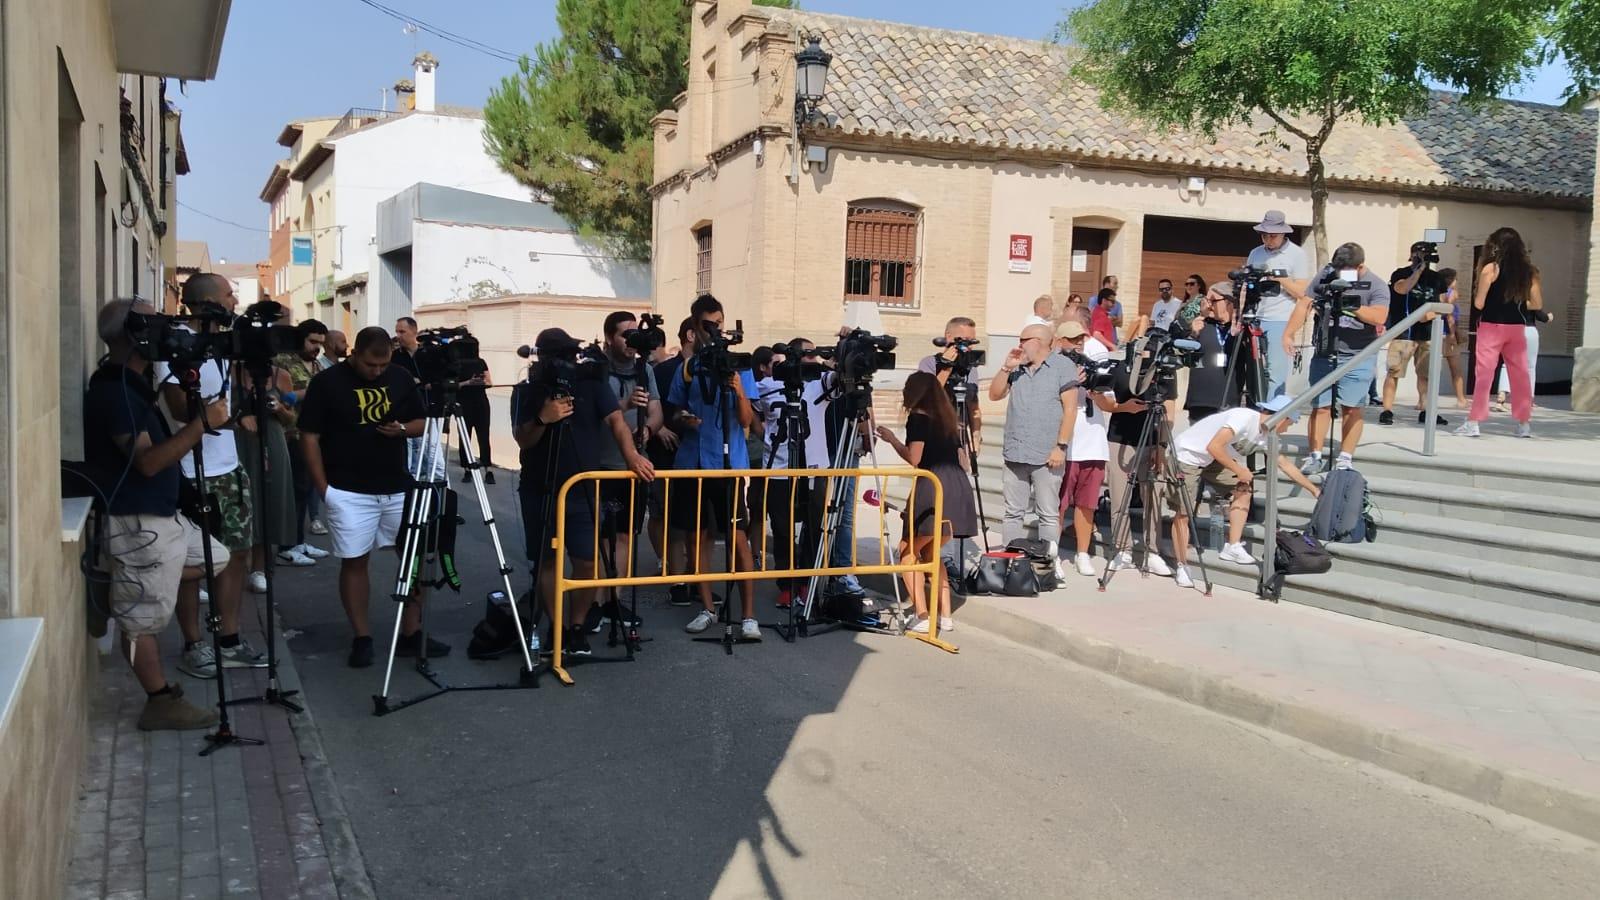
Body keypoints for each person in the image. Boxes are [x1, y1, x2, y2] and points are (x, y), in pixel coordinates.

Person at [86, 299, 231, 730]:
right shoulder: (113, 392)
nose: (166, 332)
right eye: (155, 323)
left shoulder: (132, 385)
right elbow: (147, 462)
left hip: (159, 520)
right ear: (135, 334)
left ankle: (127, 580)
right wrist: (201, 424)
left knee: (214, 557)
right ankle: (160, 700)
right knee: (141, 621)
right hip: (137, 521)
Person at [298, 326, 443, 668]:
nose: (377, 372)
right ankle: (362, 637)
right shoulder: (327, 383)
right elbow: (309, 437)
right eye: (369, 365)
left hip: (396, 486)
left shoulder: (401, 377)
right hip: (347, 489)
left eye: (382, 366)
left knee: (413, 558)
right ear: (354, 354)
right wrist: (324, 490)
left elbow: (422, 421)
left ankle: (411, 631)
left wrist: (403, 429)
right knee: (355, 561)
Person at [515, 327, 655, 657]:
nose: (562, 363)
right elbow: (524, 439)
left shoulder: (591, 383)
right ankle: (558, 628)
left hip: (582, 488)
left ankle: (577, 627)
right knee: (546, 560)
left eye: (567, 355)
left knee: (588, 561)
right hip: (539, 488)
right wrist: (543, 418)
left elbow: (617, 422)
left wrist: (632, 456)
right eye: (556, 356)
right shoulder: (527, 390)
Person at [153, 274, 266, 679]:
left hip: (228, 468)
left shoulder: (222, 344)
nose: (235, 300)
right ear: (206, 303)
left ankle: (229, 639)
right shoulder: (176, 344)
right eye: (229, 294)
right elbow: (181, 409)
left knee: (236, 555)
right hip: (190, 471)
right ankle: (193, 643)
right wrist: (214, 414)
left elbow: (226, 405)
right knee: (194, 561)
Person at [666, 296, 763, 640]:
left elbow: (747, 421)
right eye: (709, 323)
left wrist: (738, 392)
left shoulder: (741, 366)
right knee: (698, 539)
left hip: (728, 466)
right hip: (693, 463)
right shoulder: (688, 368)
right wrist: (684, 420)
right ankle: (707, 608)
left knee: (738, 540)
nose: (716, 329)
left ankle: (748, 616)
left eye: (719, 322)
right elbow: (673, 412)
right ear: (695, 327)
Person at [875, 373, 978, 633]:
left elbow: (915, 458)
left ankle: (922, 615)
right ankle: (946, 616)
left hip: (932, 486)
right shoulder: (948, 420)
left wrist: (892, 440)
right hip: (958, 489)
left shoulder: (918, 418)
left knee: (907, 552)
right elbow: (963, 460)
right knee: (933, 554)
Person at [1169, 396, 1320, 571]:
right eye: (1290, 423)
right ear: (1281, 418)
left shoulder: (1267, 436)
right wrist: (1239, 470)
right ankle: (1182, 565)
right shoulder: (1244, 417)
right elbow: (1214, 446)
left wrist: (1314, 490)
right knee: (1183, 513)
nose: (1287, 429)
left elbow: (1284, 464)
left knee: (1244, 490)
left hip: (1212, 459)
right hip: (1186, 455)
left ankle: (1232, 547)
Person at [1285, 242, 1389, 473]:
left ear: (1360, 266)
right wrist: (1288, 333)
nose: (1341, 274)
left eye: (1347, 270)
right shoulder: (1325, 276)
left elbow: (1379, 317)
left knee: (1351, 408)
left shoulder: (1376, 285)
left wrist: (1351, 305)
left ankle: (1345, 457)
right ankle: (1314, 455)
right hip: (1325, 352)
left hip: (1358, 356)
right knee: (1320, 406)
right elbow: (1304, 304)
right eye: (1337, 269)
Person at [592, 310, 666, 628]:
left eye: (635, 333)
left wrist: (648, 430)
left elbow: (656, 411)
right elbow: (588, 416)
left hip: (633, 466)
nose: (631, 340)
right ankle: (591, 605)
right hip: (599, 465)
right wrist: (621, 406)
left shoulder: (644, 369)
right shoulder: (595, 371)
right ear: (609, 337)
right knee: (596, 539)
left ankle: (613, 602)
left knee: (623, 536)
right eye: (625, 334)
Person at [989, 322, 1078, 579]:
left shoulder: (1062, 366)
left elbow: (1070, 409)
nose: (1018, 345)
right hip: (1015, 452)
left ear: (1037, 341)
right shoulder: (1016, 370)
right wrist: (1006, 367)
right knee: (1013, 512)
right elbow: (994, 395)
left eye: (1022, 339)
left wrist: (1061, 446)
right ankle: (1011, 565)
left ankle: (1047, 566)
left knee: (1048, 513)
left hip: (1047, 454)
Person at [750, 339, 831, 609]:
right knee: (782, 531)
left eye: (811, 356)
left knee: (812, 528)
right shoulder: (765, 386)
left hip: (815, 468)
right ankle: (786, 584)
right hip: (778, 470)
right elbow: (752, 413)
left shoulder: (819, 383)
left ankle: (806, 583)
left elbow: (842, 376)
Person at [1458, 227, 1542, 438]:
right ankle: (1524, 424)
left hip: (1491, 326)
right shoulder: (1529, 272)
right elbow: (1537, 303)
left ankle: (1474, 422)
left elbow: (1479, 303)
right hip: (1517, 328)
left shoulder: (1491, 269)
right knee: (1520, 374)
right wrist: (1518, 303)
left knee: (1484, 374)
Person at [1053, 321, 1109, 577]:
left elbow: (1109, 403)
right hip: (1067, 444)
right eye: (1072, 338)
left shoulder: (1092, 363)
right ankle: (1052, 554)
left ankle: (1083, 554)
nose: (1078, 343)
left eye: (1081, 339)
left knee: (1087, 504)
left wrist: (1096, 390)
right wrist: (1072, 383)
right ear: (1059, 340)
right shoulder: (1052, 366)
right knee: (1058, 504)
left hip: (1093, 443)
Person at [1379, 242, 1450, 428]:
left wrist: (1431, 315)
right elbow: (1402, 289)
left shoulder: (1437, 279)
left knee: (1425, 374)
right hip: (1403, 331)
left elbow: (1444, 304)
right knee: (1394, 372)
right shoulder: (1400, 273)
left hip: (1427, 333)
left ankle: (1426, 409)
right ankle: (1387, 410)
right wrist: (1417, 271)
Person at [652, 317, 697, 605]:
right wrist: (662, 428)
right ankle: (672, 572)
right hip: (663, 454)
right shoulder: (664, 370)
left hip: (695, 455)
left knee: (695, 523)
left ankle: (696, 580)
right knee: (663, 515)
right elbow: (651, 406)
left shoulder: (708, 371)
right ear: (691, 334)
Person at [1247, 210, 1315, 399]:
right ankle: (1257, 414)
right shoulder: (1255, 253)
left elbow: (1302, 293)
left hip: (1280, 319)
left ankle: (1272, 419)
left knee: (1275, 373)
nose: (1268, 240)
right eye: (1264, 235)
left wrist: (1280, 278)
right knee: (1255, 372)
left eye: (1273, 236)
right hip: (1255, 317)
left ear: (1283, 233)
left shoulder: (1297, 254)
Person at [275, 319, 330, 550]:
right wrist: (306, 393)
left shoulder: (317, 365)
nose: (316, 347)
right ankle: (288, 546)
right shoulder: (283, 361)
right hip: (290, 434)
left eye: (320, 343)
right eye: (312, 341)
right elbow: (278, 396)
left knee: (307, 490)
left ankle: (299, 542)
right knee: (295, 491)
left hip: (313, 435)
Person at [917, 315, 984, 457]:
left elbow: (973, 406)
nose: (969, 347)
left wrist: (976, 436)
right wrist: (947, 366)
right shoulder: (929, 363)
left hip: (960, 440)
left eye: (972, 342)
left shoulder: (970, 368)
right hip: (933, 438)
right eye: (964, 341)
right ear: (948, 337)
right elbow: (928, 396)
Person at [1183, 282, 1245, 423]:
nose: (1208, 305)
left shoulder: (1242, 330)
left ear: (1229, 302)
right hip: (1200, 403)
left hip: (1230, 403)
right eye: (1206, 300)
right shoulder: (1200, 324)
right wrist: (1193, 334)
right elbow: (1182, 357)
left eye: (1213, 301)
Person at [455, 360, 495, 484]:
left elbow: (490, 383)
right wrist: (468, 382)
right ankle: (467, 470)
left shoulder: (481, 362)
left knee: (484, 437)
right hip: (464, 403)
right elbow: (453, 385)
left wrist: (481, 382)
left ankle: (488, 470)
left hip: (481, 403)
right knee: (464, 437)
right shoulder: (456, 364)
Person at [1436, 269, 1469, 408]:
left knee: (1430, 369)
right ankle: (1461, 399)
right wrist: (1451, 334)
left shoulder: (1437, 293)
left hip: (1438, 333)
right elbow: (1449, 315)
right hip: (1446, 334)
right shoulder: (1451, 294)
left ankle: (1423, 399)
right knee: (1456, 369)